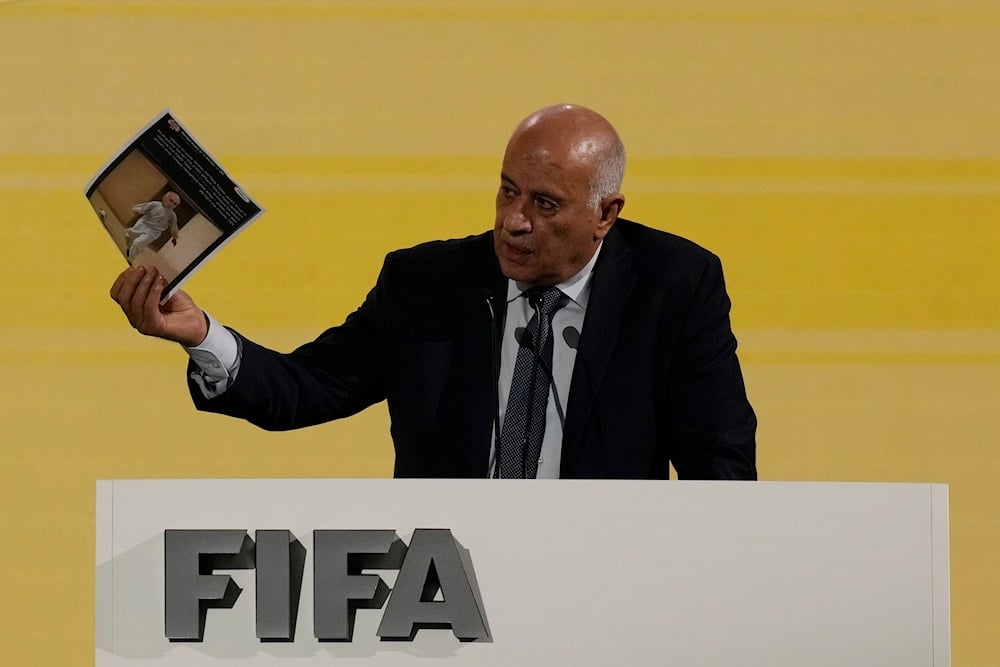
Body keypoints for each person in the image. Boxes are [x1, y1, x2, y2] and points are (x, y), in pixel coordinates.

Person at [110, 104, 757, 480]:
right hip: (448, 596)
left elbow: (721, 468)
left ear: (605, 213)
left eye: (544, 203)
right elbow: (307, 389)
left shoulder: (674, 285)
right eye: (507, 189)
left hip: (605, 593)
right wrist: (202, 336)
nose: (514, 220)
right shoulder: (426, 284)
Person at [124, 191, 181, 261]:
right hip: (143, 223)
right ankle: (130, 248)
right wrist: (138, 210)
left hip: (154, 232)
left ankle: (130, 258)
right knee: (129, 235)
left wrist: (174, 237)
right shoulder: (155, 204)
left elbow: (174, 227)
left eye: (175, 204)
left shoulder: (172, 215)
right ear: (164, 197)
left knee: (138, 242)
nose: (171, 204)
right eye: (171, 200)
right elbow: (144, 207)